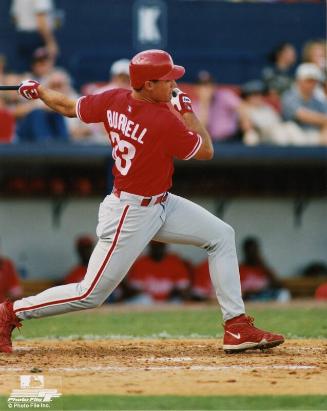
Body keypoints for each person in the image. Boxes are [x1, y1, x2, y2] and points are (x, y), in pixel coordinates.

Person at [0, 49, 284, 354]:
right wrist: (187, 110)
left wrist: (40, 91)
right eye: (167, 81)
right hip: (130, 212)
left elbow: (69, 107)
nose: (175, 86)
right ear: (148, 85)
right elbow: (206, 150)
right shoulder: (162, 120)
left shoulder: (114, 98)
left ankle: (237, 326)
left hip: (162, 203)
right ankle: (9, 313)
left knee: (221, 235)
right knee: (91, 293)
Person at [126, 241, 190, 303]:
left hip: (169, 302)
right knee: (144, 299)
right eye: (155, 246)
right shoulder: (140, 263)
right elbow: (134, 290)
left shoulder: (175, 262)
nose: (158, 249)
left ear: (165, 247)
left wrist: (172, 295)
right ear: (150, 247)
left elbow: (183, 288)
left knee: (177, 300)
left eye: (160, 246)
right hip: (148, 303)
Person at [282, 63, 327, 144]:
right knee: (290, 128)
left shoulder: (318, 100)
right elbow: (303, 115)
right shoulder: (289, 96)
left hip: (313, 133)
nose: (312, 84)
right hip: (294, 134)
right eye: (309, 81)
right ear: (299, 80)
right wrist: (324, 120)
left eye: (315, 81)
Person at [192, 70, 241, 142]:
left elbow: (242, 108)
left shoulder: (224, 95)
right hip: (211, 143)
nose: (206, 88)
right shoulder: (193, 106)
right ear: (197, 89)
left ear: (214, 86)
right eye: (202, 85)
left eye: (209, 85)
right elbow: (201, 132)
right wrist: (205, 103)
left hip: (232, 139)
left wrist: (247, 127)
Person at [10, 0, 59, 71]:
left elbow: (15, 18)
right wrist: (50, 42)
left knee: (24, 73)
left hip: (21, 36)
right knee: (40, 73)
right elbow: (41, 21)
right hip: (36, 37)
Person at [239, 237, 290, 302]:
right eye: (250, 251)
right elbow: (239, 290)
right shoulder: (240, 268)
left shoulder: (263, 267)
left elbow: (278, 284)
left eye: (254, 250)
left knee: (284, 293)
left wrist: (263, 264)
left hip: (264, 295)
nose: (252, 254)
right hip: (250, 298)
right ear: (245, 252)